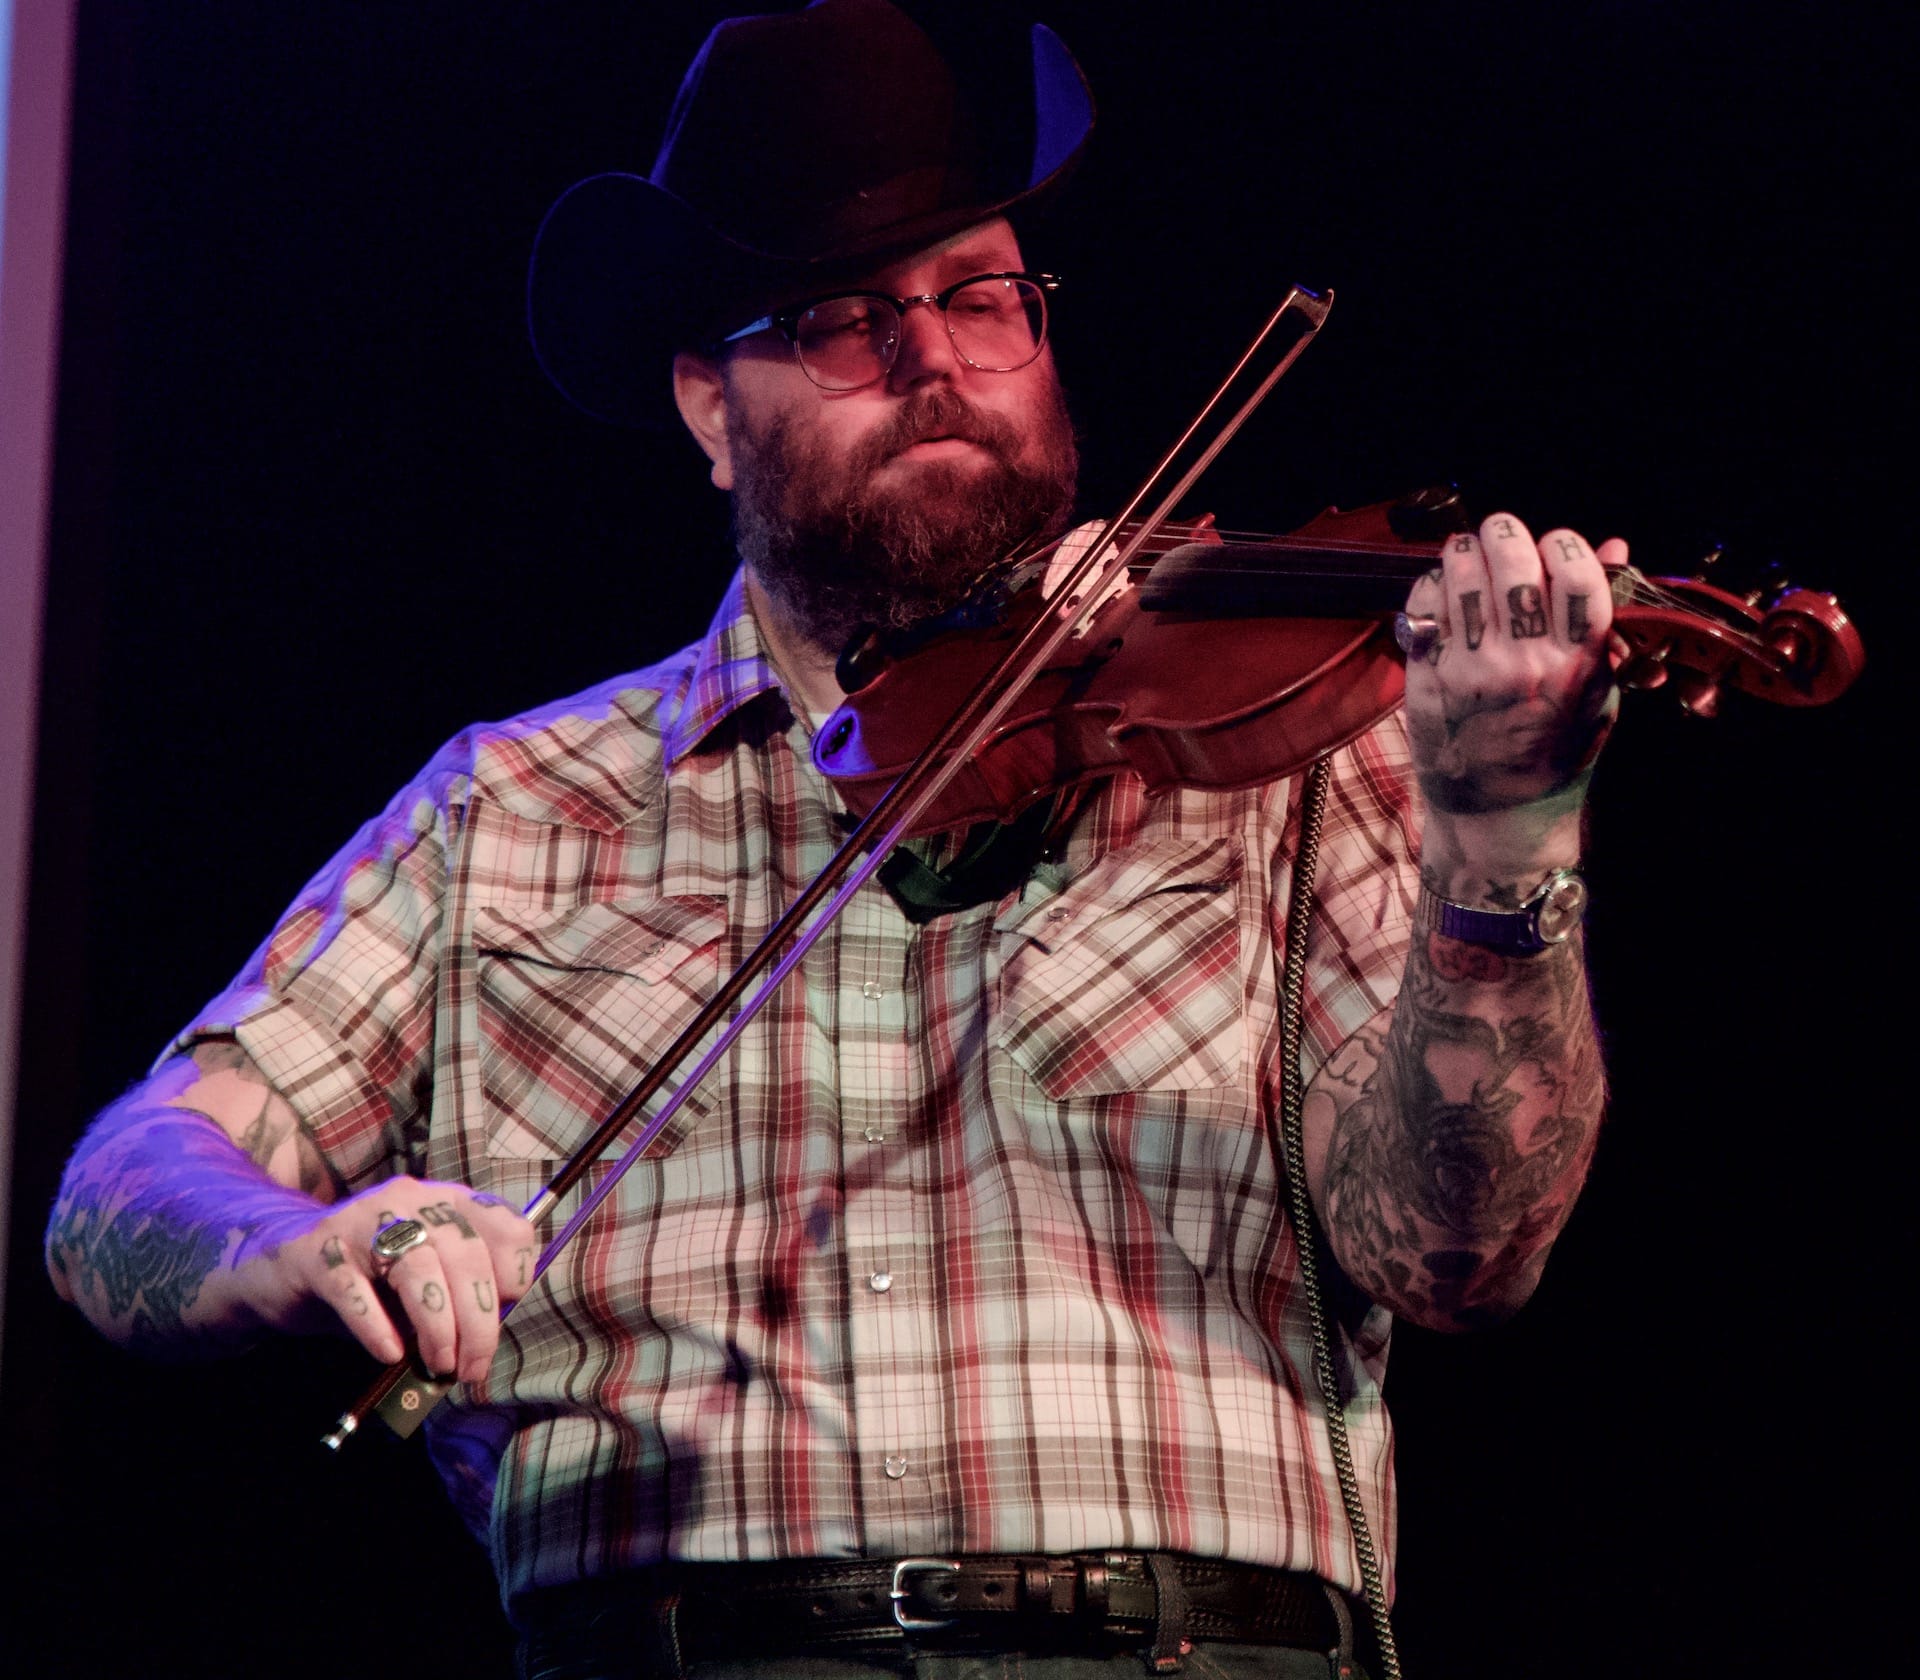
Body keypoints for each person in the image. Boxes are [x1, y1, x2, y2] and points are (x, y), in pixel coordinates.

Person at [43, 4, 1619, 1676]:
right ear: (711, 407)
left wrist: (1503, 841)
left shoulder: (1294, 751)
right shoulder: (507, 806)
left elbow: (1464, 1257)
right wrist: (309, 1242)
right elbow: (119, 1191)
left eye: (982, 298)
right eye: (845, 319)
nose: (936, 360)